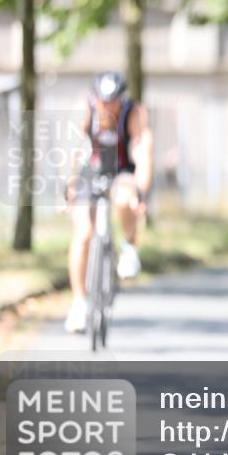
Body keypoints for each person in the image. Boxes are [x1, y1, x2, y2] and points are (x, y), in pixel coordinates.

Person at [64, 72, 154, 333]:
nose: (107, 106)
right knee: (83, 233)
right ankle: (79, 303)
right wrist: (68, 186)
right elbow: (71, 148)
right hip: (89, 172)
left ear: (121, 99)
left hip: (122, 171)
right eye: (103, 101)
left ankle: (129, 247)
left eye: (113, 101)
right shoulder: (84, 108)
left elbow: (143, 152)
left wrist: (140, 192)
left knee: (126, 199)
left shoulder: (134, 113)